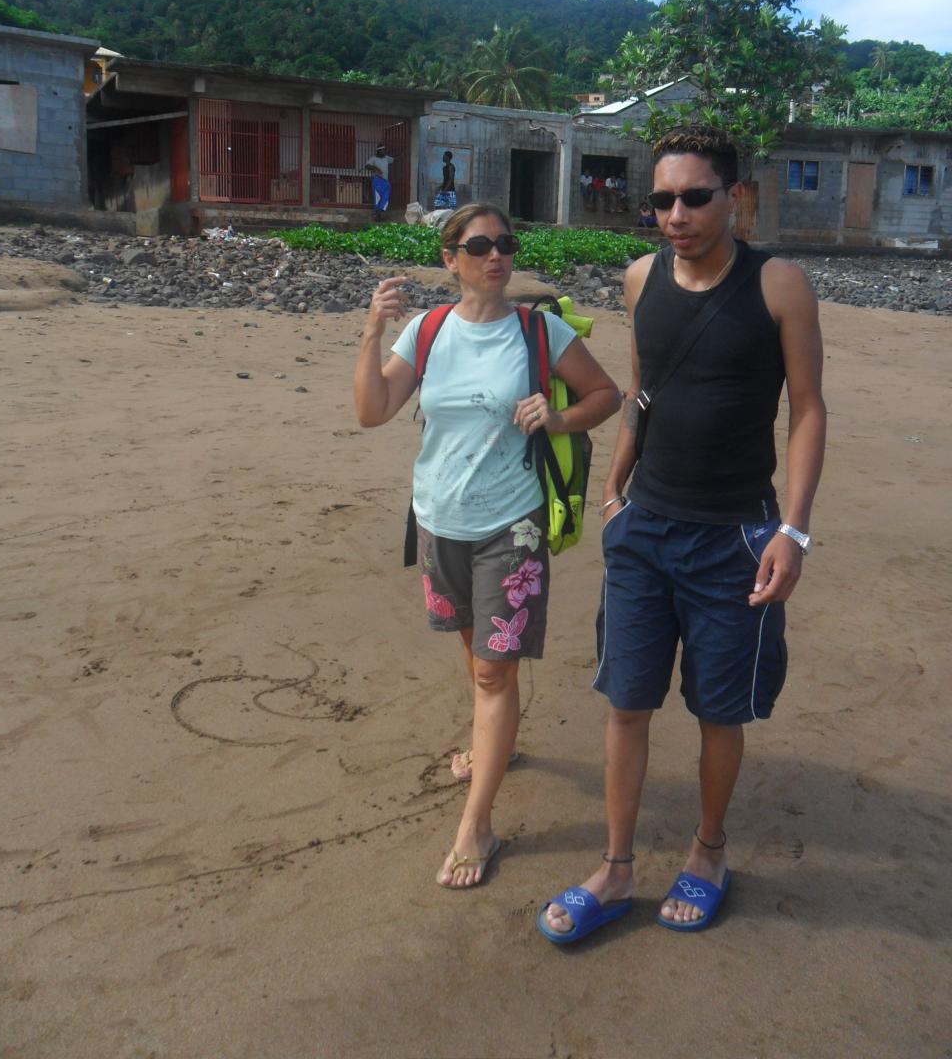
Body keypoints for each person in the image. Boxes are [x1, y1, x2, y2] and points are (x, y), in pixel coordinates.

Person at [538, 125, 826, 942]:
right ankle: (618, 865)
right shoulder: (639, 280)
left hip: (735, 537)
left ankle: (707, 852)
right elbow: (644, 390)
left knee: (716, 712)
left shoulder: (779, 286)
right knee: (626, 704)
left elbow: (808, 411)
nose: (675, 214)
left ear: (735, 197)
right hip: (645, 530)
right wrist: (615, 486)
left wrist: (793, 533)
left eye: (694, 197)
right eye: (661, 199)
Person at [354, 204, 621, 889]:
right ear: (451, 260)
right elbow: (372, 410)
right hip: (440, 519)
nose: (496, 256)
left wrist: (557, 415)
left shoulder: (539, 329)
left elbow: (606, 395)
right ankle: (490, 741)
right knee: (476, 655)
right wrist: (372, 331)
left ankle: (478, 824)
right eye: (479, 246)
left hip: (513, 523)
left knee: (492, 673)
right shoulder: (428, 329)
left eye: (506, 244)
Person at [366, 143, 394, 223]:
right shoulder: (373, 158)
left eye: (384, 150)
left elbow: (394, 159)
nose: (384, 152)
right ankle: (376, 215)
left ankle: (380, 215)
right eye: (382, 150)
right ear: (378, 151)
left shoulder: (386, 158)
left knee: (385, 198)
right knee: (377, 198)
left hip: (385, 181)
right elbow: (367, 166)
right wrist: (376, 168)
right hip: (377, 180)